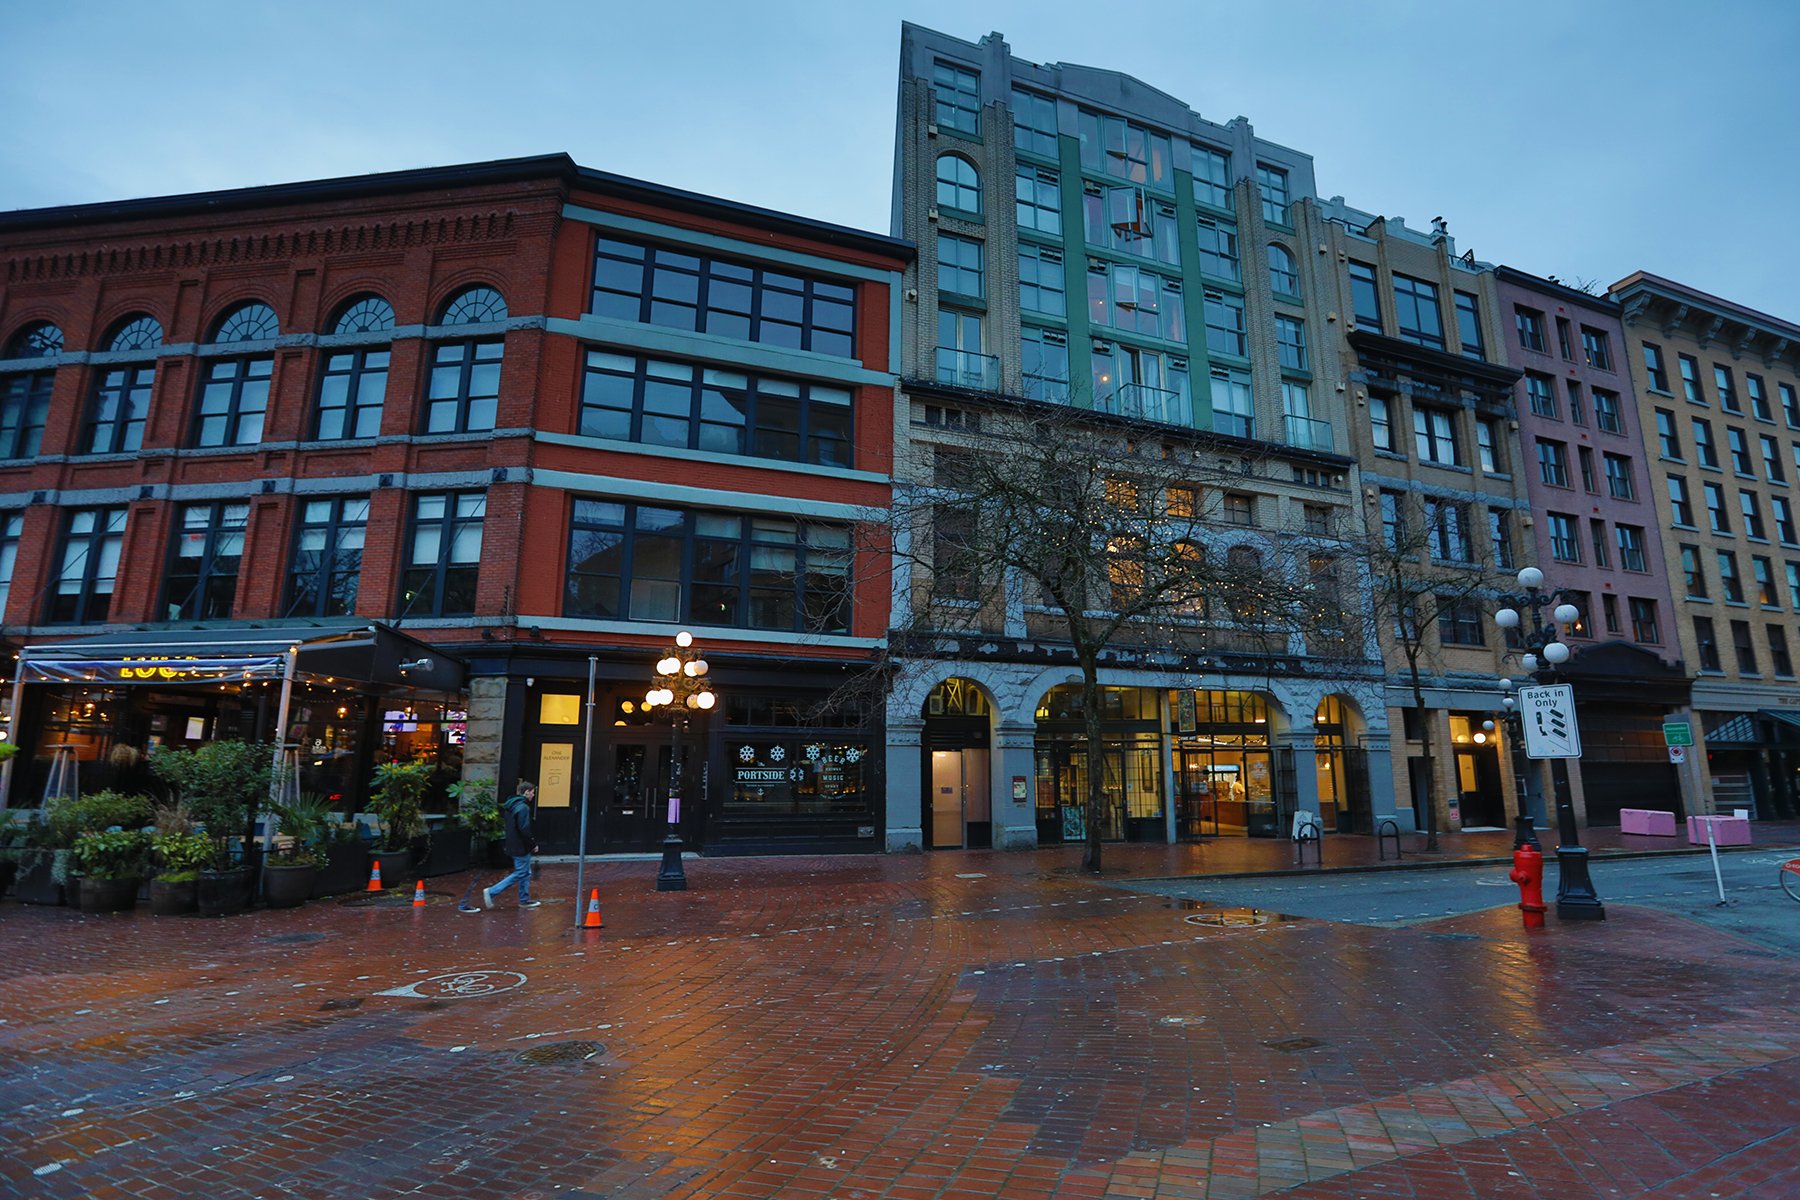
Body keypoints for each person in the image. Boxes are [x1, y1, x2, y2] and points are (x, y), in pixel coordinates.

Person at [467, 780, 541, 911]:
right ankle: (492, 892)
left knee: (525, 872)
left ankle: (524, 899)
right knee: (521, 872)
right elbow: (524, 829)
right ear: (526, 792)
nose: (533, 795)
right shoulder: (523, 807)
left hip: (512, 843)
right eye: (532, 792)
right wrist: (532, 844)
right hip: (521, 846)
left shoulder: (511, 805)